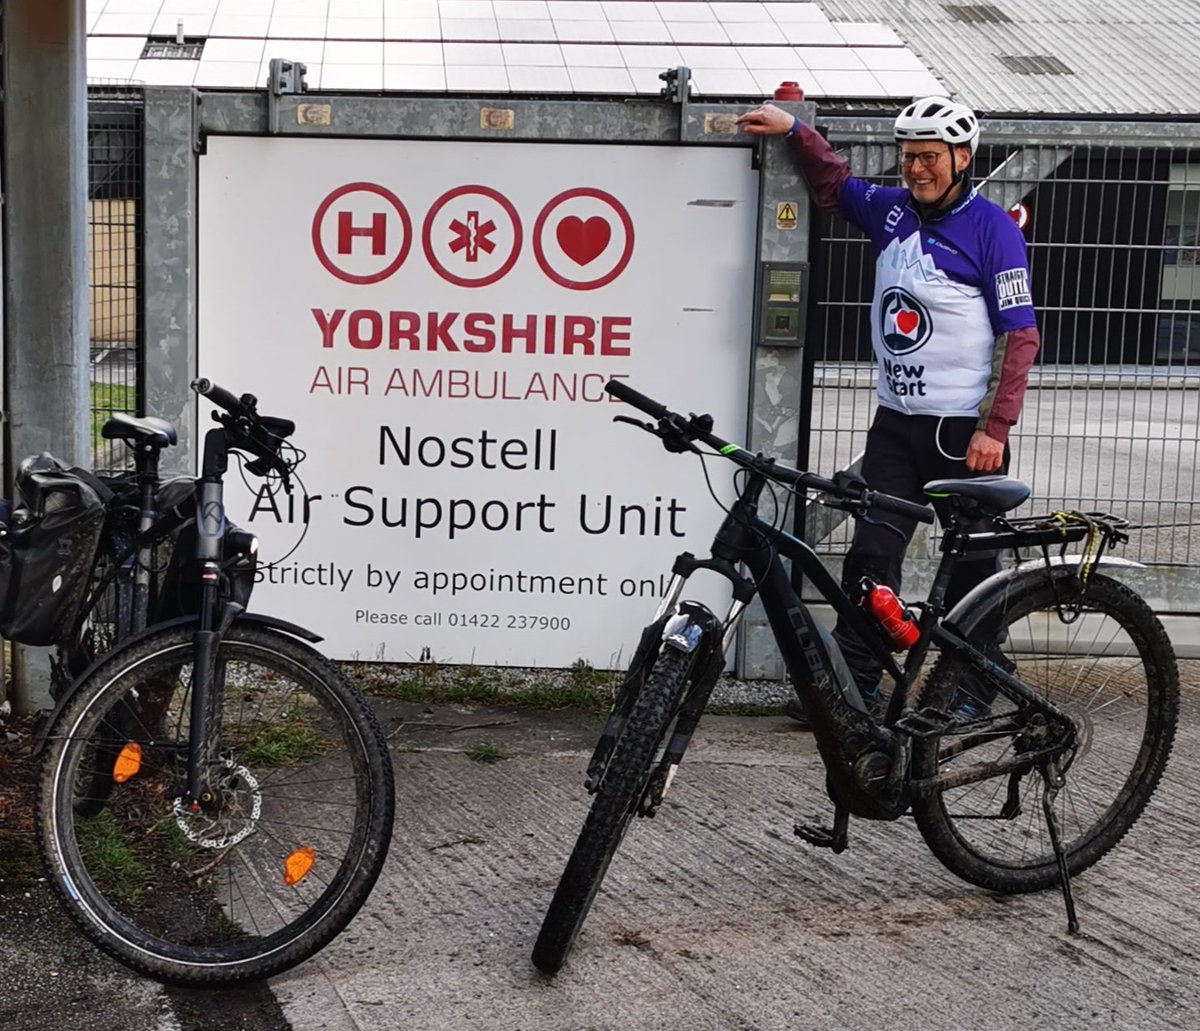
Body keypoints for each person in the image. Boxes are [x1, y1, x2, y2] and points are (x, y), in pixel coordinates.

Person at [736, 96, 1041, 723]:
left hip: (964, 432)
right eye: (909, 158)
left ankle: (972, 689)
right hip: (896, 426)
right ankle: (854, 688)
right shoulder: (893, 212)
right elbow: (835, 186)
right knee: (871, 557)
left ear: (963, 158)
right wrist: (797, 128)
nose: (917, 169)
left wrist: (995, 429)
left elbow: (1019, 335)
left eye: (929, 157)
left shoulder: (993, 228)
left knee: (971, 572)